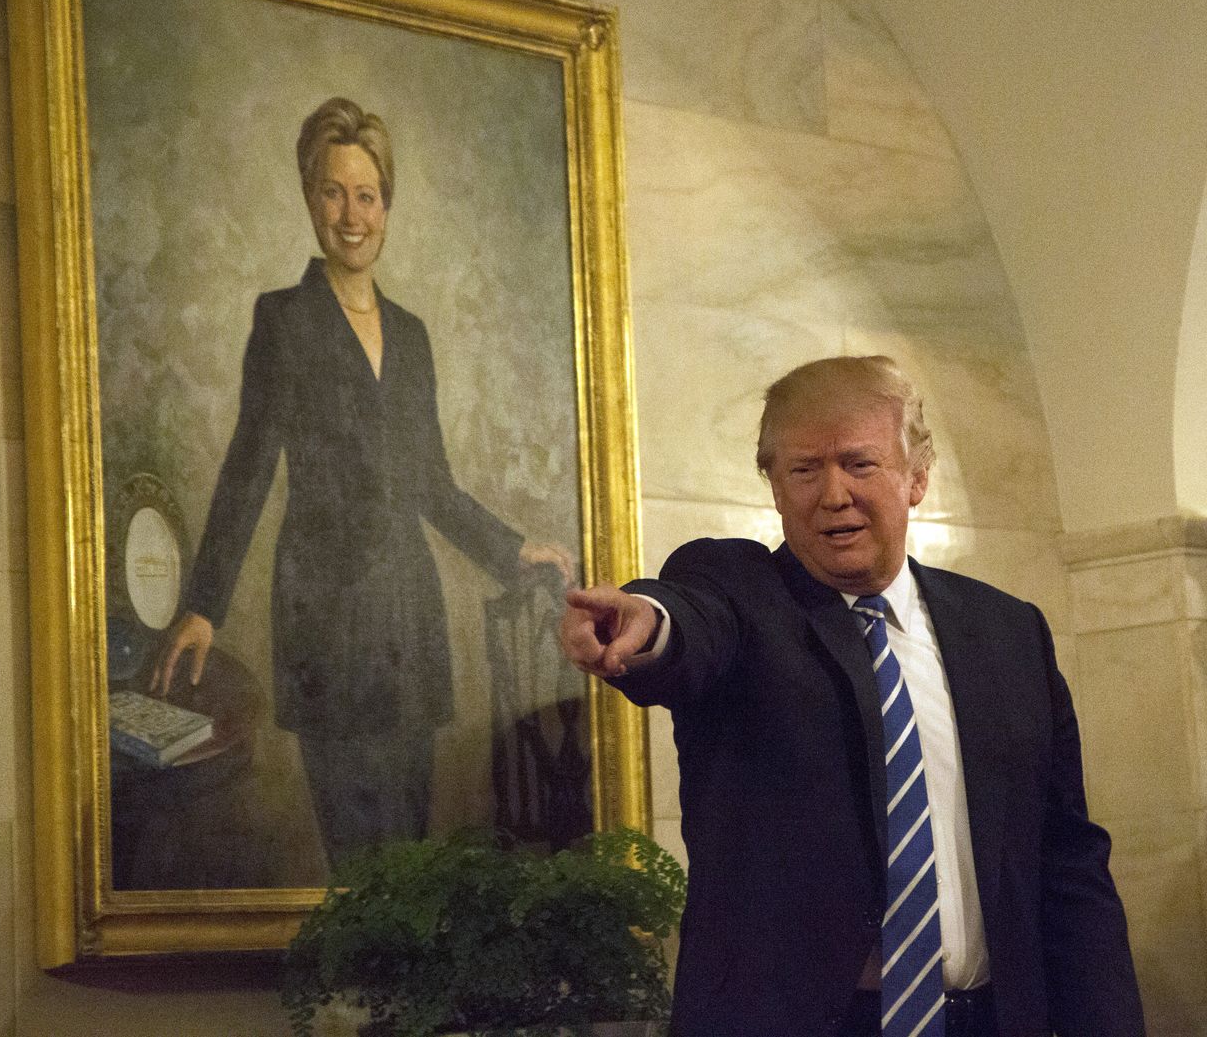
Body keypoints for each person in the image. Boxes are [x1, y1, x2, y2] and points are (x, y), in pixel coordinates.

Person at [560, 356, 1143, 1037]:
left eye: (859, 464)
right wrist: (651, 627)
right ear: (774, 487)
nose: (833, 493)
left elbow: (1068, 863)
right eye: (805, 469)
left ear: (917, 477)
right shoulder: (740, 592)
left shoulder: (1009, 632)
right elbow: (691, 621)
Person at [153, 97, 569, 864]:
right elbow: (249, 464)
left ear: (388, 206)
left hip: (408, 619)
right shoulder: (282, 320)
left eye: (367, 195)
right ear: (311, 198)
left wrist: (513, 550)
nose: (352, 214)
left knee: (409, 857)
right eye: (334, 192)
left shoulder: (411, 335)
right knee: (358, 866)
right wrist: (204, 604)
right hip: (323, 623)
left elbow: (432, 484)